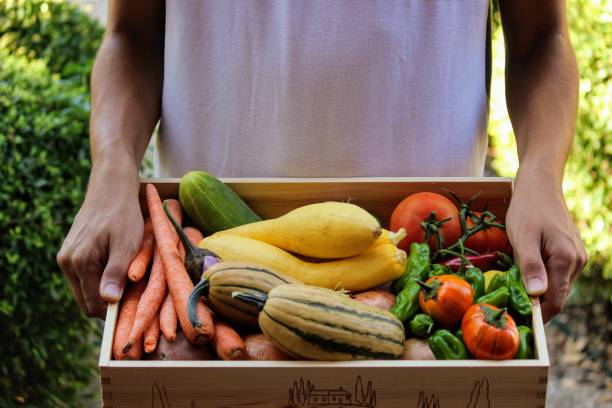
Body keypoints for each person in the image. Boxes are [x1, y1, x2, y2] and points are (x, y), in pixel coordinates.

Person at [57, 0, 586, 323]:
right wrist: (110, 173)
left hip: (432, 259)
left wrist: (540, 176)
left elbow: (541, 38)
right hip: (210, 268)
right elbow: (132, 37)